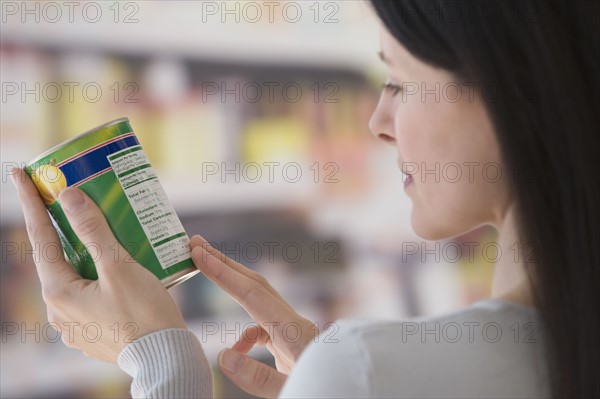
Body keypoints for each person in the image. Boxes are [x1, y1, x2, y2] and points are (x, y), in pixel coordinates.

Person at [11, 1, 599, 398]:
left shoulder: (364, 369)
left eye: (396, 81)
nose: (377, 121)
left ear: (516, 94)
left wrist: (159, 360)